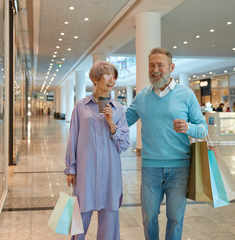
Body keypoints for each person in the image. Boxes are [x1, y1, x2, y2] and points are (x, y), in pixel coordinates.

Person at [125, 47, 208, 240]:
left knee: (175, 218)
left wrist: (188, 127)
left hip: (180, 168)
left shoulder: (186, 95)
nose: (155, 69)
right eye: (152, 65)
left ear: (171, 67)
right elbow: (122, 123)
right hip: (150, 168)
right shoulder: (142, 97)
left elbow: (203, 129)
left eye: (160, 65)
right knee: (148, 217)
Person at [64, 61, 130, 240]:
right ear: (95, 78)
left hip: (110, 173)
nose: (112, 80)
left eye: (114, 76)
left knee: (109, 219)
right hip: (86, 172)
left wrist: (111, 123)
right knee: (80, 221)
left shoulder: (118, 110)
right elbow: (73, 138)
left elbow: (124, 145)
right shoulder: (80, 107)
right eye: (107, 75)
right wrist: (71, 169)